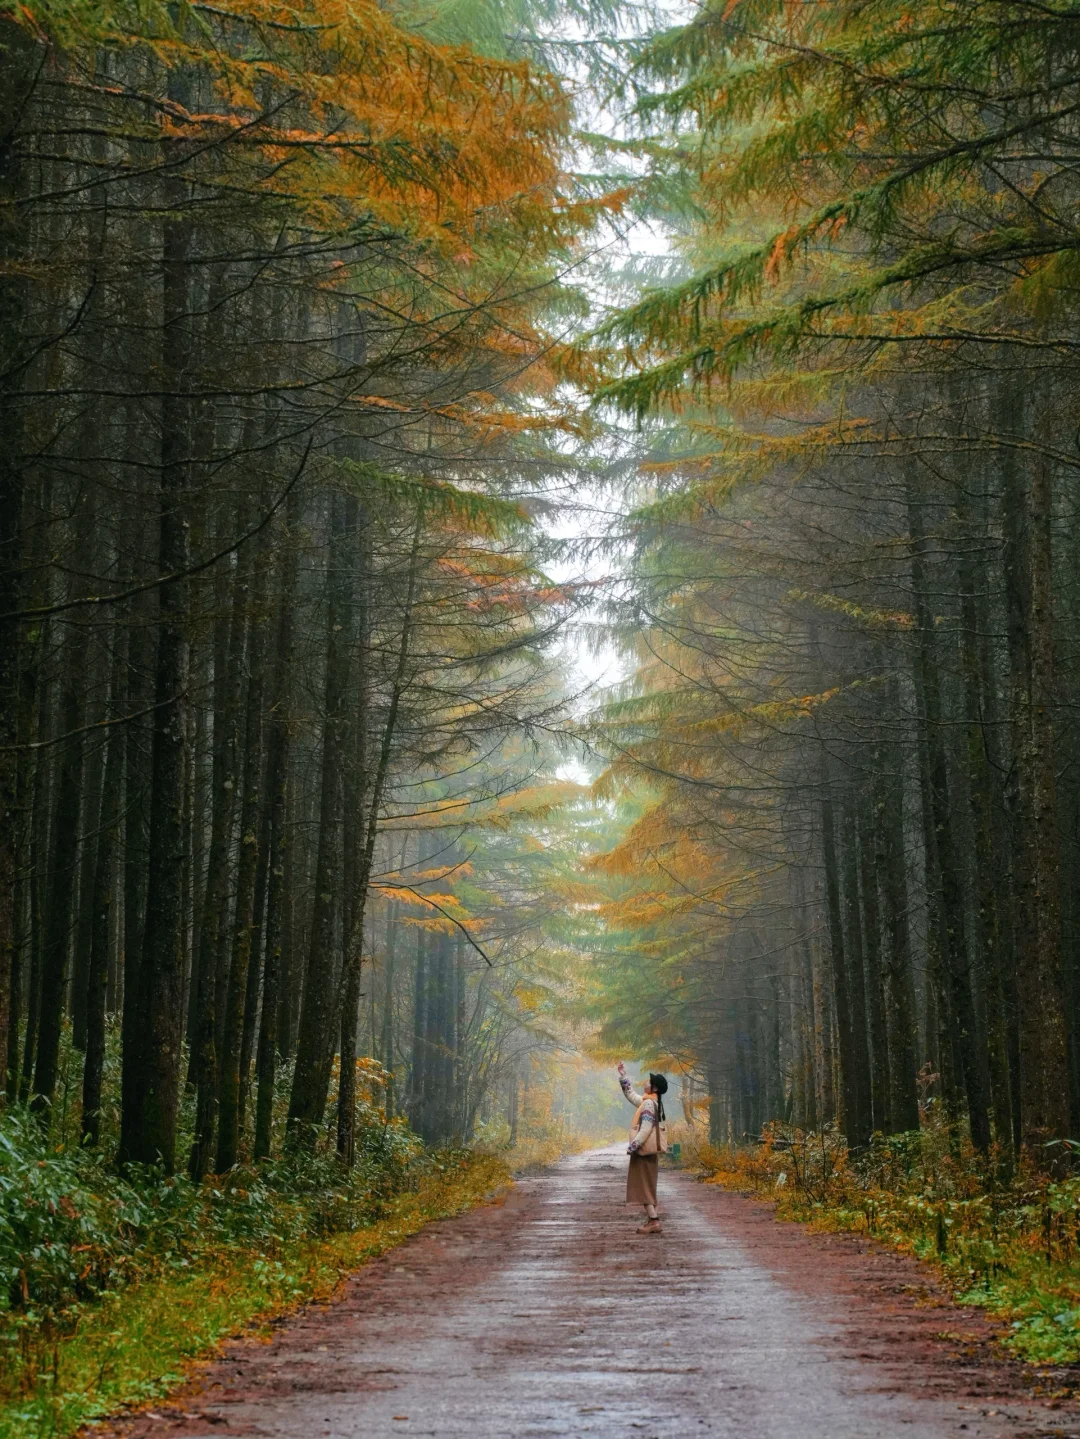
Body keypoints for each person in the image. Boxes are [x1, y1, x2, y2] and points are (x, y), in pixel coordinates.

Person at [617, 1061, 668, 1235]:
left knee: (644, 1185)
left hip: (644, 1151)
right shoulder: (650, 1102)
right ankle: (652, 1219)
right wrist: (624, 1076)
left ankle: (654, 1221)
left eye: (648, 1082)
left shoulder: (647, 1104)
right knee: (648, 1184)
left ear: (654, 1088)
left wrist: (633, 1146)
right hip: (649, 1151)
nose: (645, 1083)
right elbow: (631, 1095)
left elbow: (645, 1129)